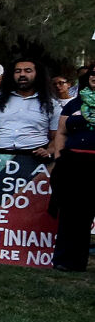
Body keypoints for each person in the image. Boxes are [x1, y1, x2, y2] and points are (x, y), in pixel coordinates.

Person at [0, 58, 60, 160]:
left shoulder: (51, 103)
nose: (22, 74)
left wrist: (49, 150)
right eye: (17, 71)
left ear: (38, 75)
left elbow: (57, 135)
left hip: (35, 156)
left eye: (28, 71)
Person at [51, 69, 95, 272]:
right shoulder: (75, 103)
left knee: (87, 213)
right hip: (73, 162)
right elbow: (61, 131)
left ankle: (80, 259)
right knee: (71, 212)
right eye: (93, 73)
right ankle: (66, 261)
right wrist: (59, 157)